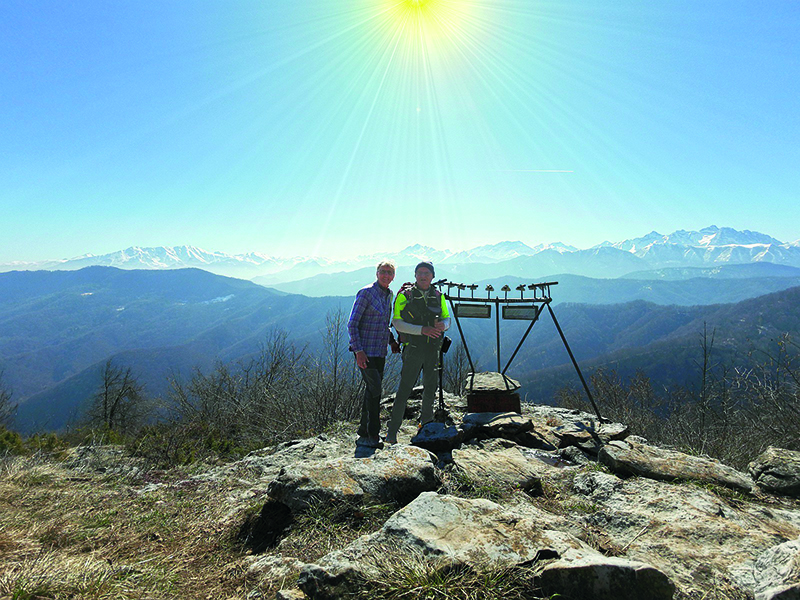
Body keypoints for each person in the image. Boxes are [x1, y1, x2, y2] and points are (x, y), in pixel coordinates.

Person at [385, 261, 450, 444]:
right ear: (415, 275)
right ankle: (392, 433)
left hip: (433, 349)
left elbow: (447, 318)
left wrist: (443, 325)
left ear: (432, 276)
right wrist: (422, 330)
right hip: (413, 349)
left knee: (430, 388)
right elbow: (397, 322)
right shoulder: (405, 296)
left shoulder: (438, 296)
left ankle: (425, 427)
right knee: (404, 390)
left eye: (426, 273)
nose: (423, 276)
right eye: (420, 273)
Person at [347, 260, 400, 448]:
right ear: (377, 273)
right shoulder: (366, 293)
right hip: (365, 351)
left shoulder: (389, 295)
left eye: (389, 272)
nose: (386, 275)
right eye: (383, 271)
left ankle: (364, 430)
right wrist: (358, 351)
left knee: (372, 390)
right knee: (376, 389)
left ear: (393, 276)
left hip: (379, 351)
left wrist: (392, 341)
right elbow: (352, 324)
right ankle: (373, 434)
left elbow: (384, 324)